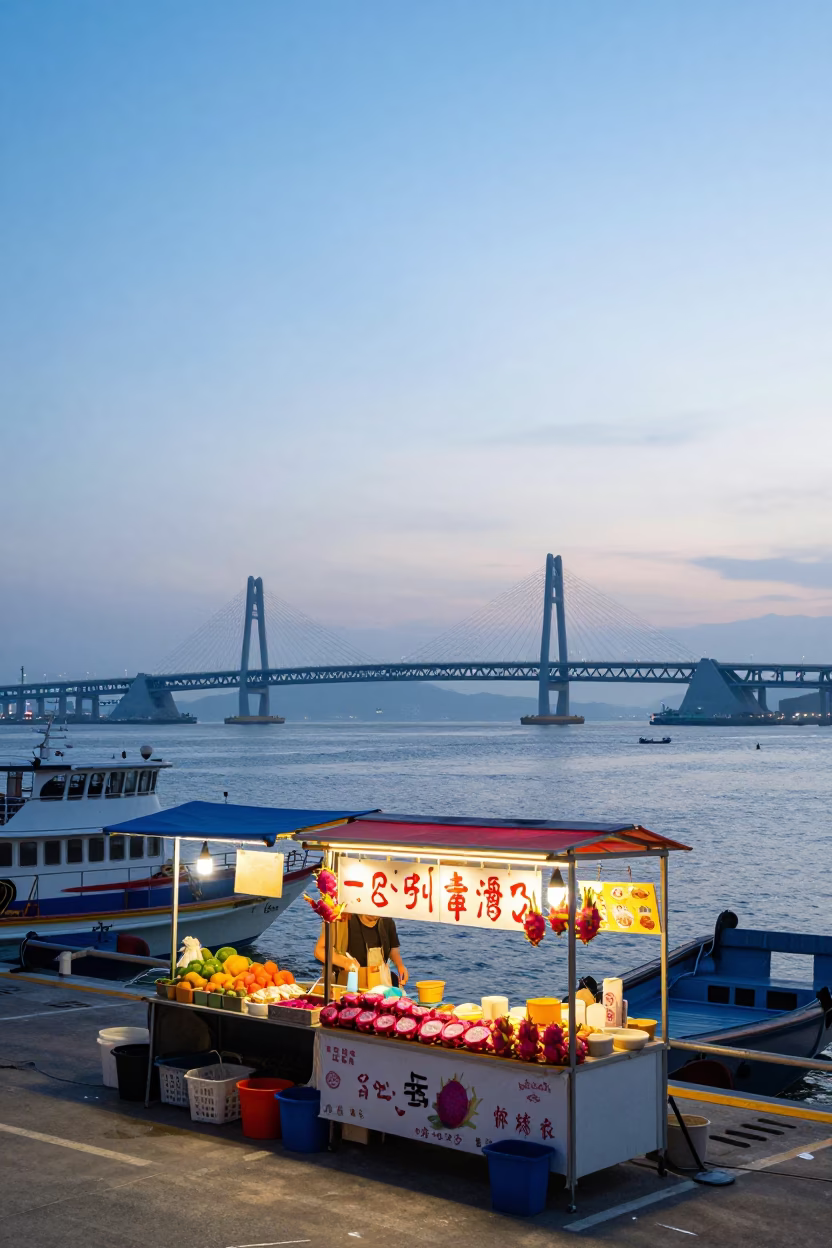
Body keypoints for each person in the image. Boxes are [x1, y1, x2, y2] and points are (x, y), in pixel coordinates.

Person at [314, 912, 409, 988]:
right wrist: (345, 962)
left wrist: (400, 965)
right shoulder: (343, 919)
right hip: (346, 986)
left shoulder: (387, 921)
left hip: (380, 985)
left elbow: (393, 949)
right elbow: (319, 951)